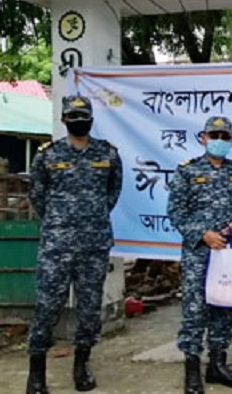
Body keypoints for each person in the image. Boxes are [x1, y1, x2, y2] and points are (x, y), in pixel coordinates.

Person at [26, 95, 123, 394]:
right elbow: (37, 196)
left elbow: (112, 192)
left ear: (91, 119)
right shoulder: (47, 155)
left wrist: (90, 218)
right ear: (64, 120)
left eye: (84, 116)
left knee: (90, 309)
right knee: (47, 306)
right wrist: (61, 221)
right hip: (58, 245)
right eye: (74, 116)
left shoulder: (107, 154)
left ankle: (82, 365)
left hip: (94, 245)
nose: (79, 121)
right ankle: (36, 373)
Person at [167, 116, 232, 394]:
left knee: (226, 308)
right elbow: (176, 211)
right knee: (195, 311)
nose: (219, 140)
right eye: (214, 135)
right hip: (199, 252)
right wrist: (203, 234)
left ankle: (217, 366)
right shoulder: (187, 171)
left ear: (231, 140)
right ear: (203, 138)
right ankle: (192, 370)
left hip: (229, 252)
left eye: (224, 136)